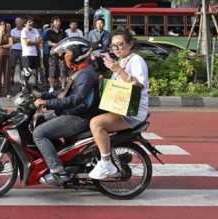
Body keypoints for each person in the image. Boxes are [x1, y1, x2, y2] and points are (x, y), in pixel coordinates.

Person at [33, 37, 100, 184]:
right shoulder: (80, 71)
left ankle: (58, 171)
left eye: (67, 53)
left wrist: (46, 103)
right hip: (73, 113)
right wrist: (42, 95)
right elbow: (64, 93)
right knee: (40, 123)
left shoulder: (86, 74)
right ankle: (60, 157)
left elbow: (74, 100)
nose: (64, 57)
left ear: (76, 54)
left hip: (79, 117)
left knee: (39, 133)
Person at [88, 29, 149, 179]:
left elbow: (138, 85)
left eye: (119, 45)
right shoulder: (122, 61)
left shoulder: (136, 61)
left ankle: (106, 162)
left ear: (130, 44)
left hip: (131, 112)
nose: (116, 49)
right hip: (119, 108)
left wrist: (118, 70)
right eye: (113, 46)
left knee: (97, 124)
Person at [87, 17, 111, 90]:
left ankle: (99, 89)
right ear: (95, 24)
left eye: (101, 23)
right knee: (94, 73)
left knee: (102, 73)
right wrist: (91, 54)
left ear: (104, 24)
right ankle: (92, 88)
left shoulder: (108, 34)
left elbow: (110, 44)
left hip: (103, 56)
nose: (99, 25)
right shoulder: (91, 33)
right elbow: (88, 45)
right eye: (98, 23)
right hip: (94, 56)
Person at [46, 16, 67, 92]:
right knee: (51, 71)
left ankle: (63, 87)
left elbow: (65, 43)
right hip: (53, 54)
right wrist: (59, 45)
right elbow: (49, 43)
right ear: (52, 23)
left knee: (63, 71)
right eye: (57, 21)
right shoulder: (49, 32)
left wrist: (62, 51)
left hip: (61, 54)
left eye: (59, 21)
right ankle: (51, 87)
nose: (58, 23)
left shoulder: (63, 32)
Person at [0, 20, 13, 98]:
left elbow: (11, 44)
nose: (3, 26)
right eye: (1, 25)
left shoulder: (8, 33)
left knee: (7, 73)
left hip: (7, 55)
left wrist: (3, 46)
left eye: (4, 24)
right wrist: (1, 34)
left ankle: (7, 92)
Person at [21, 15, 42, 87]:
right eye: (29, 21)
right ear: (25, 24)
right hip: (27, 54)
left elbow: (39, 41)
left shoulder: (35, 30)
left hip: (35, 54)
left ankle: (34, 86)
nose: (31, 23)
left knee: (35, 71)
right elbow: (26, 43)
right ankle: (25, 87)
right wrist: (34, 42)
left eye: (32, 21)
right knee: (27, 72)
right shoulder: (24, 31)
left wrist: (31, 42)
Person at [10, 17, 24, 84]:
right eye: (16, 21)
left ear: (21, 22)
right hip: (14, 50)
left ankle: (22, 80)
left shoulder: (25, 30)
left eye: (18, 21)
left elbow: (25, 40)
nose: (16, 22)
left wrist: (17, 39)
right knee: (12, 66)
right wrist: (21, 39)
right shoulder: (13, 30)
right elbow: (12, 40)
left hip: (23, 50)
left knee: (22, 66)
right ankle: (11, 80)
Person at [41, 23, 52, 87]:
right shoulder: (46, 31)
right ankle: (45, 82)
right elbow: (41, 41)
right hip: (46, 52)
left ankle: (52, 83)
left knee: (53, 68)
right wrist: (43, 50)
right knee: (46, 68)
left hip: (54, 52)